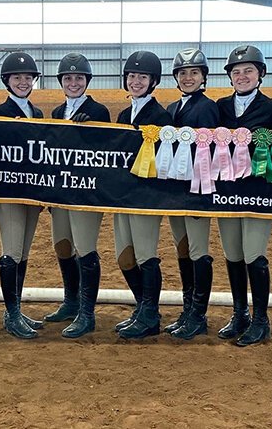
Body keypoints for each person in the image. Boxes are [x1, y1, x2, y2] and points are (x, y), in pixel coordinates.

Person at [215, 45, 272, 346]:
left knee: (254, 255)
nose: (242, 76)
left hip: (258, 193)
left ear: (260, 74)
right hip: (227, 192)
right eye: (236, 72)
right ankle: (240, 312)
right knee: (233, 254)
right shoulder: (219, 106)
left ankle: (261, 320)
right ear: (230, 77)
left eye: (248, 70)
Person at [45, 52, 111, 338]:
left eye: (79, 78)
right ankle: (71, 301)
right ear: (62, 81)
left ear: (87, 81)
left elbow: (106, 153)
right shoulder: (58, 113)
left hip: (86, 195)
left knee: (85, 248)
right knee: (62, 246)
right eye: (68, 78)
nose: (73, 83)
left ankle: (87, 312)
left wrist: (92, 131)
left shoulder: (99, 112)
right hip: (62, 193)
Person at [114, 51, 172, 339]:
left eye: (142, 77)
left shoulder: (161, 117)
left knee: (146, 255)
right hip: (123, 196)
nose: (136, 81)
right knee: (124, 256)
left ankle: (151, 314)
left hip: (146, 197)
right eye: (132, 76)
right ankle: (141, 306)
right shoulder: (125, 114)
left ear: (153, 82)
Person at [163, 48, 220, 339]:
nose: (188, 78)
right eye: (183, 73)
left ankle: (199, 314)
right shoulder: (172, 109)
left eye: (193, 73)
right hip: (176, 191)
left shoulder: (207, 107)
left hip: (198, 189)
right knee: (183, 249)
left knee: (198, 251)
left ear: (203, 77)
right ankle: (187, 309)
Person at [0, 51, 44, 339]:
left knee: (23, 252)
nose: (23, 82)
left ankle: (17, 307)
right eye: (17, 77)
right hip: (9, 194)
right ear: (7, 81)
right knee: (11, 251)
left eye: (27, 77)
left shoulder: (39, 114)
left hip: (32, 195)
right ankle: (11, 315)